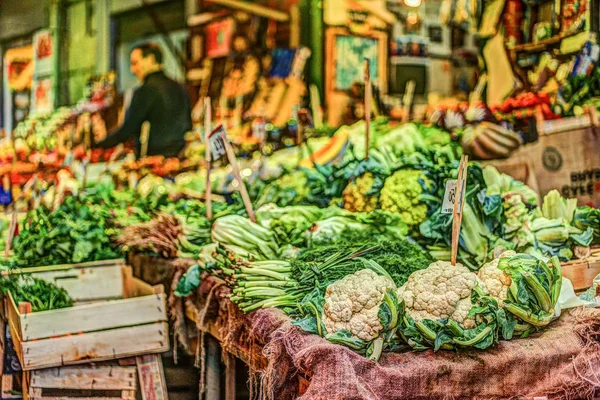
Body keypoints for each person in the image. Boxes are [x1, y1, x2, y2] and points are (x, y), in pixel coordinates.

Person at [94, 43, 191, 158]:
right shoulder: (180, 87)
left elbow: (127, 130)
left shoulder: (145, 91)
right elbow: (188, 124)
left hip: (154, 162)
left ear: (150, 60)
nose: (132, 69)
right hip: (181, 158)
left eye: (135, 63)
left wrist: (98, 145)